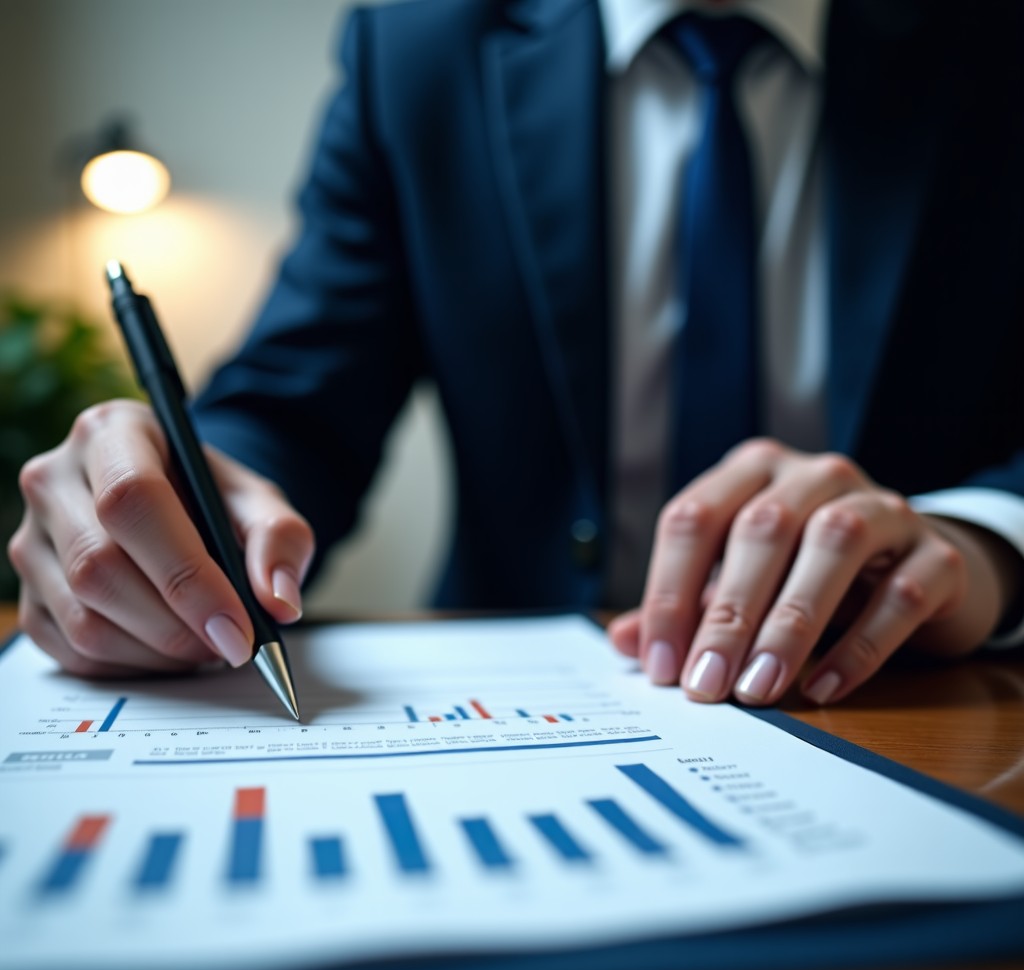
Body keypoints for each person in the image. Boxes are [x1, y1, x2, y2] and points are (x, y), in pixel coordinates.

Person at [8, 0, 1023, 708]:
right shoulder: (415, 57)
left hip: (902, 695)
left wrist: (978, 545)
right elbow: (293, 406)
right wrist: (176, 502)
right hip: (514, 713)